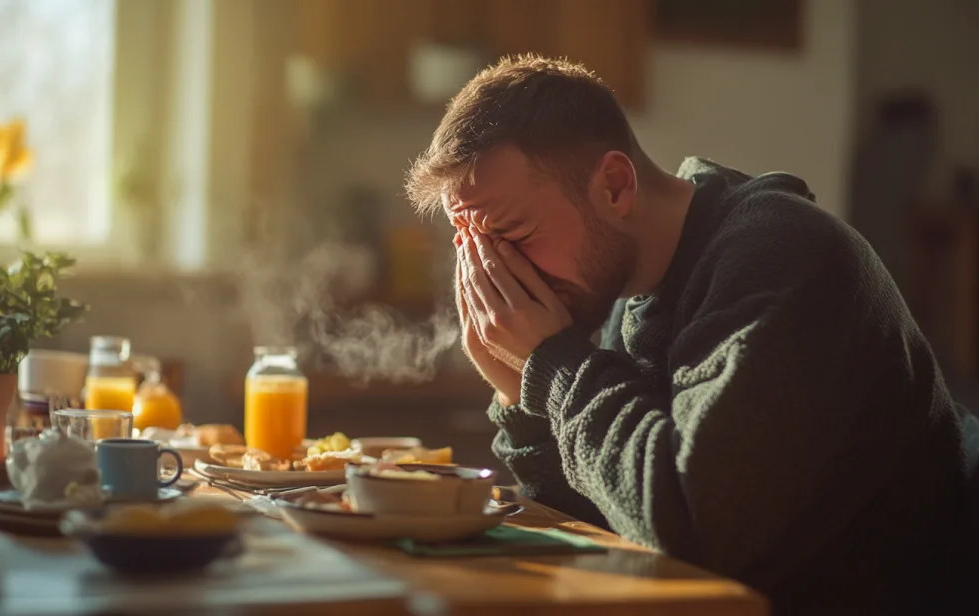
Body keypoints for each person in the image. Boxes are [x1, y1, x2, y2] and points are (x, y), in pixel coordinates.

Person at [405, 55, 970, 615]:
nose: (502, 273)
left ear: (615, 186)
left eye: (514, 235)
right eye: (478, 251)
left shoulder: (783, 256)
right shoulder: (609, 289)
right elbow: (598, 524)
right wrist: (521, 393)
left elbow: (689, 530)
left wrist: (553, 365)